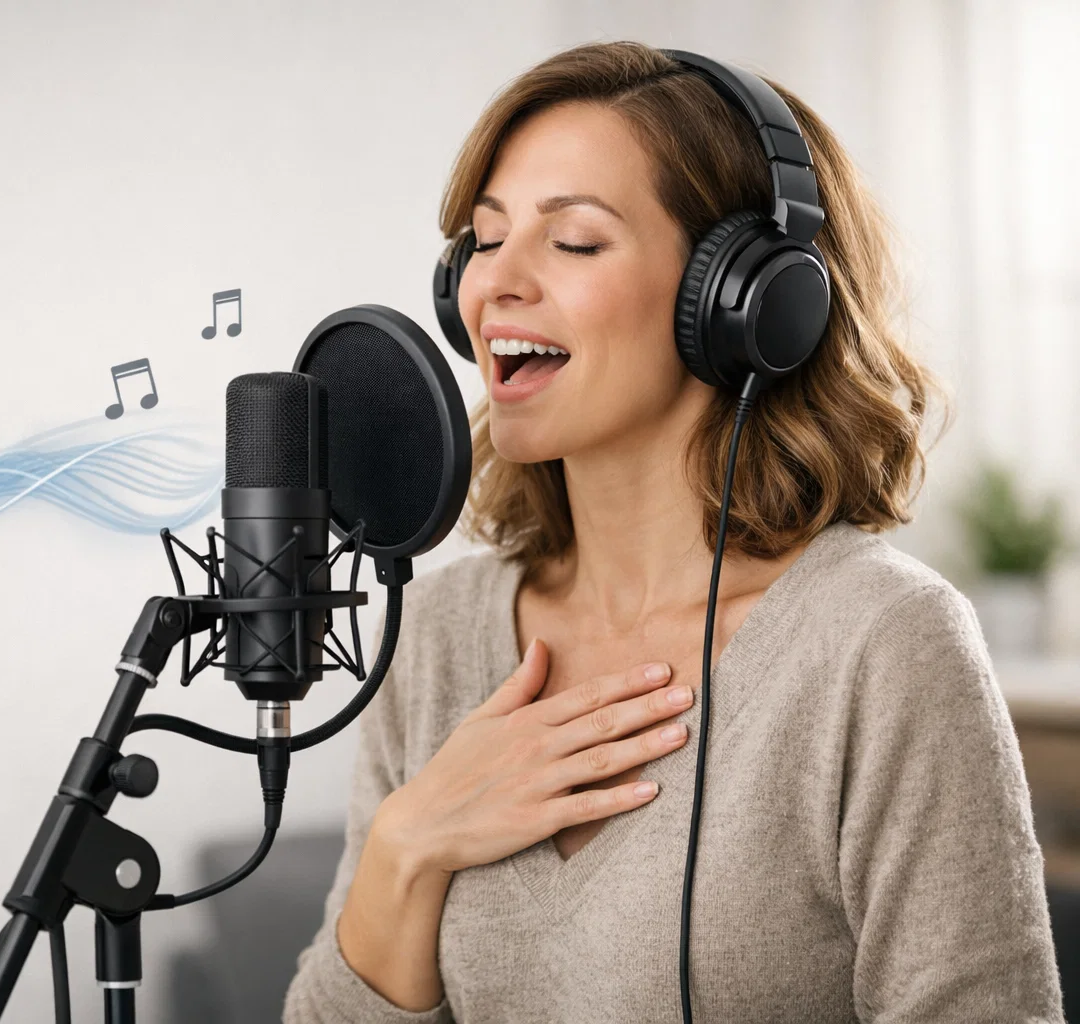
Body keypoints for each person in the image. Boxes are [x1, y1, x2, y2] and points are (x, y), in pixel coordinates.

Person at [281, 40, 1063, 1022]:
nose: (492, 287)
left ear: (742, 301)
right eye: (483, 241)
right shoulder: (436, 631)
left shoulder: (879, 641)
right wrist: (408, 843)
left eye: (573, 242)